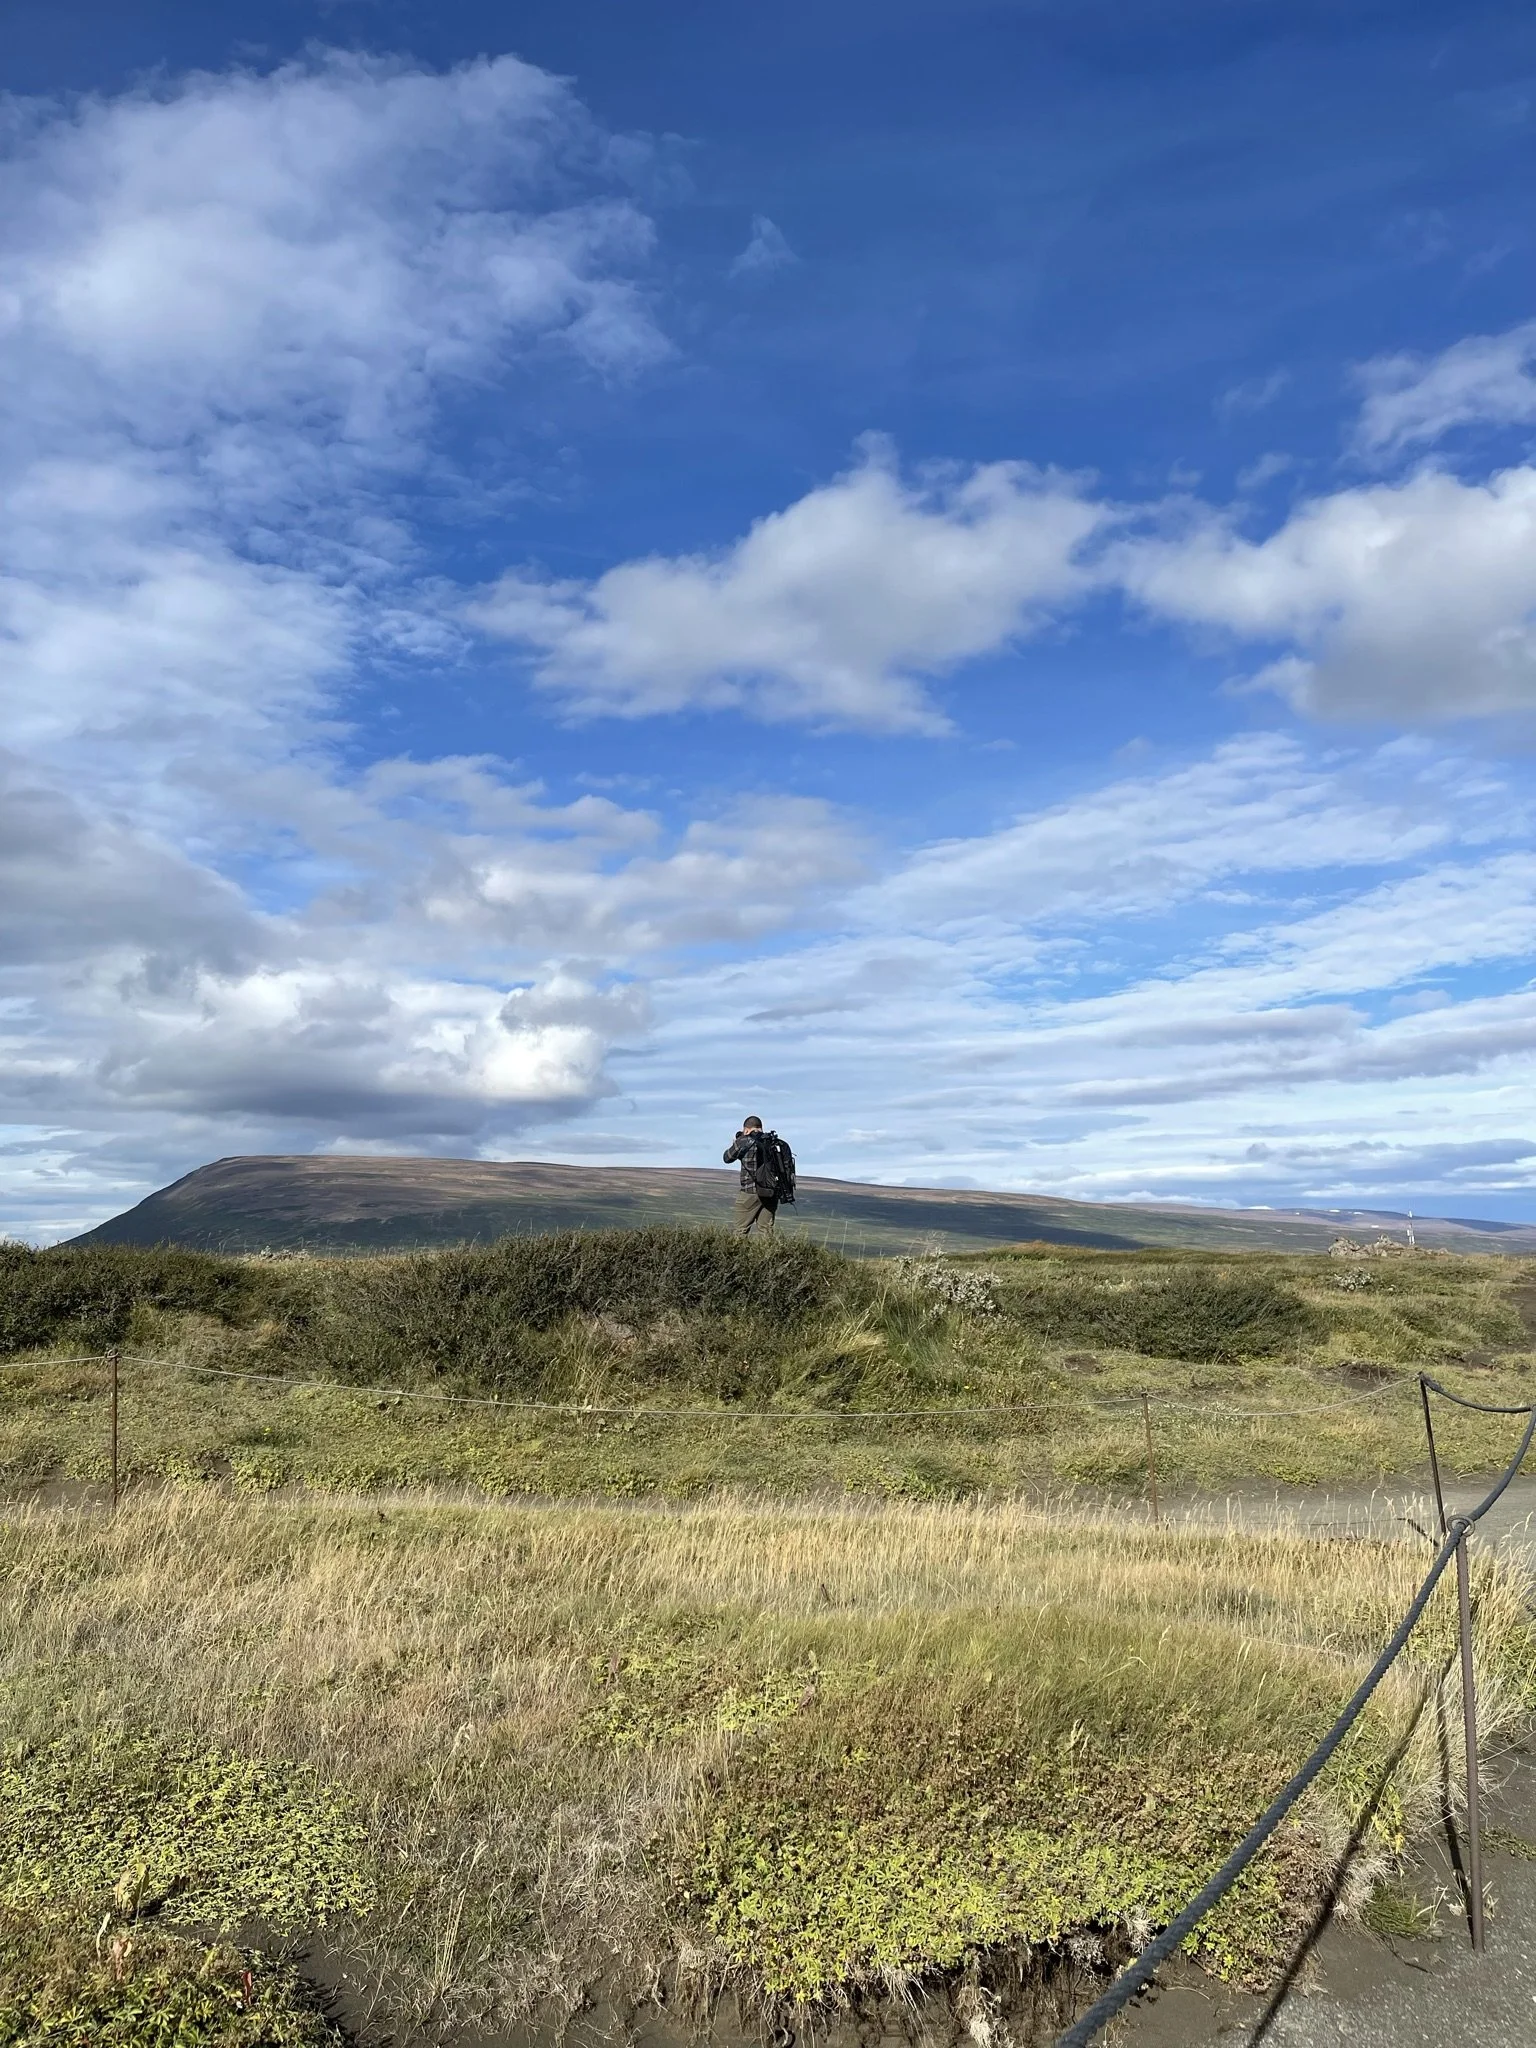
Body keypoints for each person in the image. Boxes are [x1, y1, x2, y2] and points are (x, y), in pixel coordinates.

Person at [723, 1115, 795, 1234]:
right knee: (766, 1232)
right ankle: (768, 1253)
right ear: (761, 1128)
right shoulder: (774, 1142)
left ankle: (737, 1252)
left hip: (749, 1192)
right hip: (771, 1193)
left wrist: (737, 1140)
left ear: (746, 1129)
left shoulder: (744, 1141)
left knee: (740, 1232)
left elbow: (727, 1158)